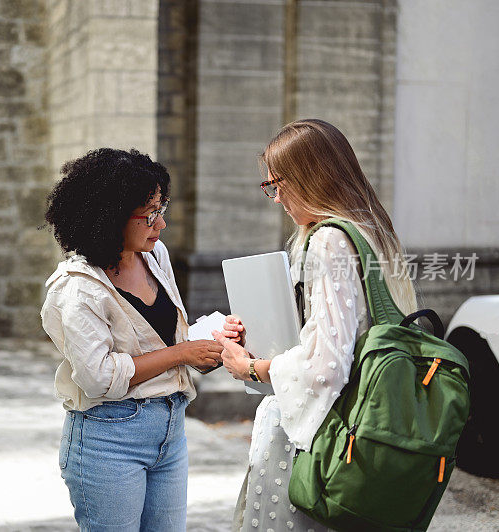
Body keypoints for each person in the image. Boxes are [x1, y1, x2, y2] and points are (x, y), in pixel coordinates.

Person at [211, 119, 418, 532]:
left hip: (319, 440)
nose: (276, 198)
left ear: (308, 178)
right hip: (367, 432)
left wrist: (249, 367)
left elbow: (325, 367)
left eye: (277, 185)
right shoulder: (374, 232)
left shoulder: (327, 240)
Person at [40, 147, 223, 531]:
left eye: (162, 207)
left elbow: (164, 339)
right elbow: (99, 378)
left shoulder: (155, 257)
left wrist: (211, 339)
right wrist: (182, 353)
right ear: (110, 218)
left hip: (171, 429)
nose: (162, 224)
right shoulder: (77, 289)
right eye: (150, 214)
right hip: (109, 438)